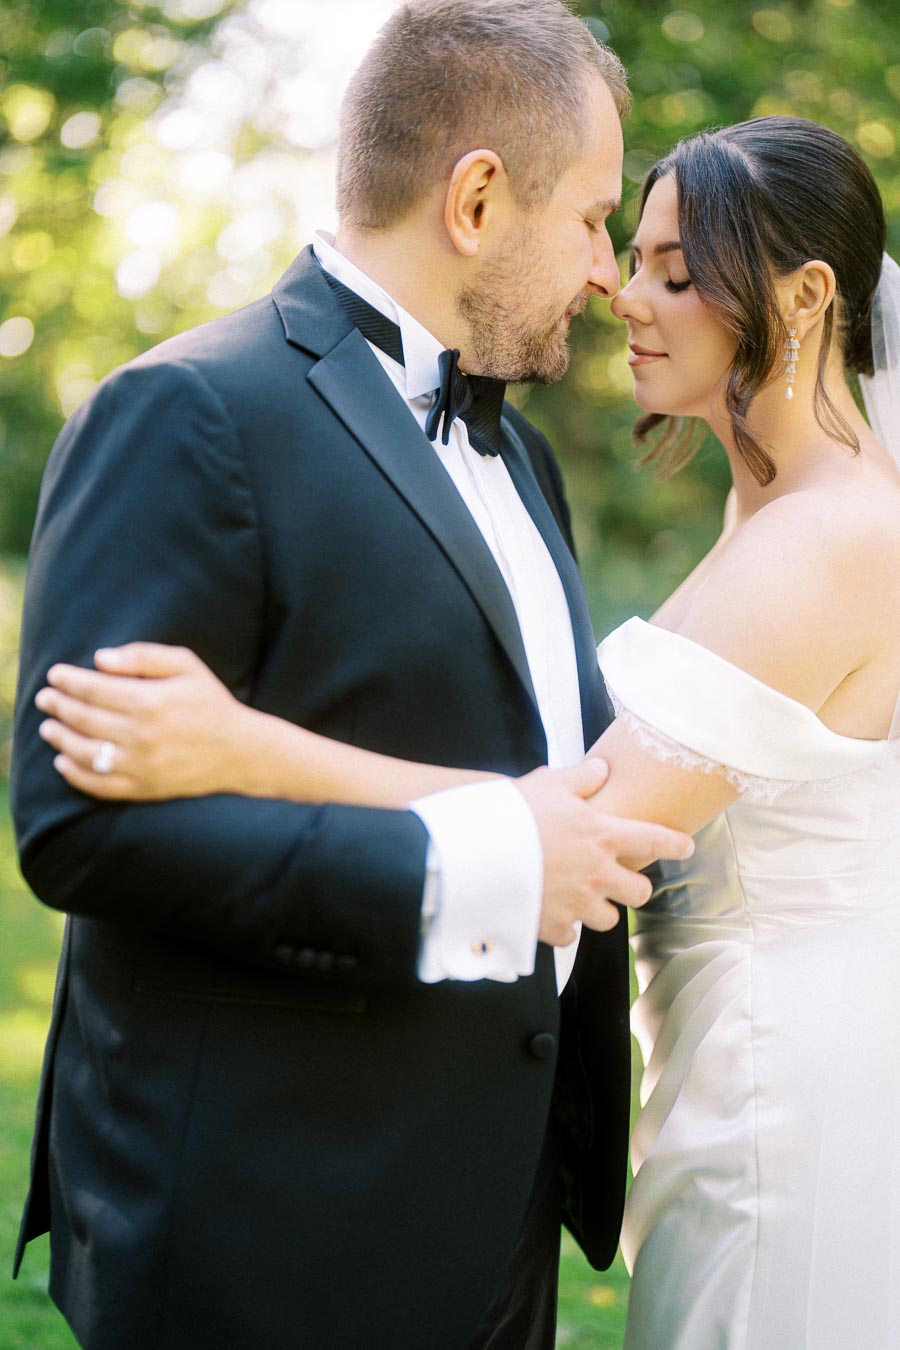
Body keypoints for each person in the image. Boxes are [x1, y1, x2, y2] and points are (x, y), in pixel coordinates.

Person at [37, 116, 900, 1347]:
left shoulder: (828, 542)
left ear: (807, 295)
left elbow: (585, 832)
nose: (624, 294)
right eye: (624, 247)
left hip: (788, 1083)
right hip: (723, 1056)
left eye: (670, 268)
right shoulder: (767, 514)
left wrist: (243, 748)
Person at [9, 4, 699, 1349]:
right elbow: (77, 826)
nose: (610, 273)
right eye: (593, 219)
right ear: (480, 199)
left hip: (493, 1218)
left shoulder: (527, 459)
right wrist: (477, 870)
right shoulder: (190, 412)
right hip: (270, 1226)